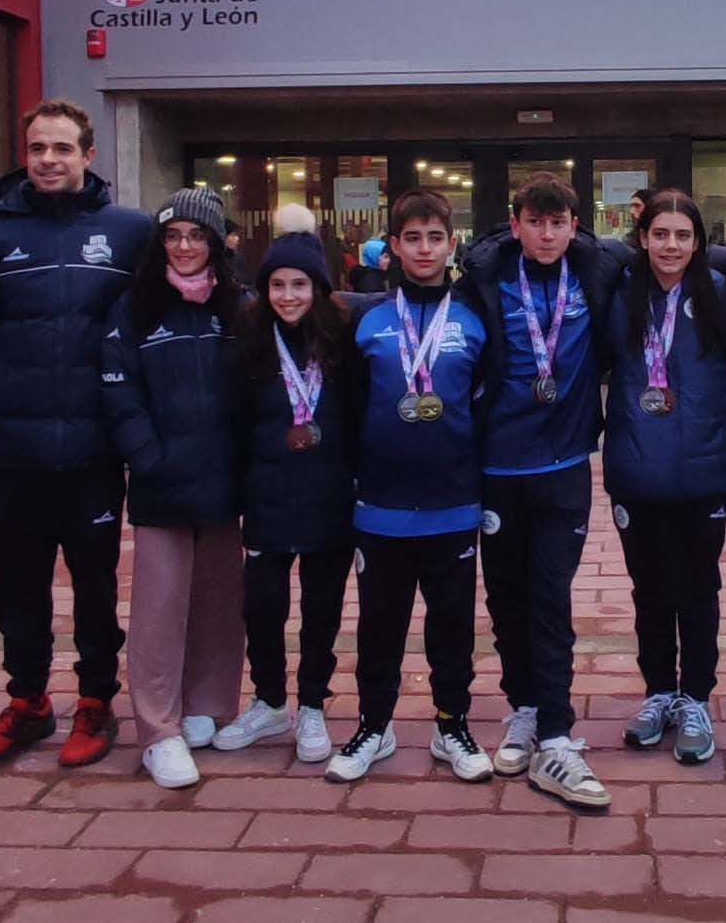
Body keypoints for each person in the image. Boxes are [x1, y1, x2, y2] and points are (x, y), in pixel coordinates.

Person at [0, 98, 153, 768]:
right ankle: (28, 703)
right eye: (37, 148)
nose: (48, 160)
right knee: (16, 587)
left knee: (95, 586)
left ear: (88, 155)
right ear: (24, 155)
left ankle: (95, 702)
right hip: (9, 453)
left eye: (62, 148)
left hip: (94, 452)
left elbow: (160, 326)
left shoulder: (131, 233)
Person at [452, 172, 623, 809]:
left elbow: (682, 256)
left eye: (558, 223)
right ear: (516, 224)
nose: (547, 234)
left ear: (575, 227)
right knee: (506, 598)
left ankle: (555, 729)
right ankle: (522, 706)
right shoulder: (483, 280)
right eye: (536, 222)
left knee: (550, 597)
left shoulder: (597, 272)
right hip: (498, 465)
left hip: (564, 465)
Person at [326, 189, 493, 783]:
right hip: (381, 506)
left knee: (452, 624)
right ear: (393, 246)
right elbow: (347, 409)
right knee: (379, 624)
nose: (424, 249)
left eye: (435, 238)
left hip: (453, 503)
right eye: (413, 238)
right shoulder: (366, 321)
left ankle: (452, 724)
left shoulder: (474, 319)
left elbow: (485, 407)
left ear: (452, 245)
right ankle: (374, 725)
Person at [100, 188, 245, 788]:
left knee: (219, 603)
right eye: (173, 236)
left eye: (196, 236)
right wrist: (147, 456)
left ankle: (208, 705)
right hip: (162, 482)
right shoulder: (134, 308)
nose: (184, 247)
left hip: (224, 481)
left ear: (214, 244)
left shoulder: (237, 307)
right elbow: (118, 389)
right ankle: (158, 729)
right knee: (159, 611)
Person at [217, 204, 358, 765]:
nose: (288, 296)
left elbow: (358, 417)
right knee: (262, 607)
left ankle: (312, 705)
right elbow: (234, 422)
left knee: (322, 609)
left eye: (300, 284)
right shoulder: (249, 341)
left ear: (318, 288)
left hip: (329, 497)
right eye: (277, 285)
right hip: (268, 496)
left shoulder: (342, 342)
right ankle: (270, 700)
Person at [604, 190, 726, 766]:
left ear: (698, 242)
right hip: (636, 467)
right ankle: (659, 692)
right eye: (660, 234)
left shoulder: (722, 293)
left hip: (705, 468)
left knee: (699, 587)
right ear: (642, 238)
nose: (671, 246)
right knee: (650, 589)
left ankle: (696, 699)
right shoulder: (618, 294)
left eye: (683, 236)